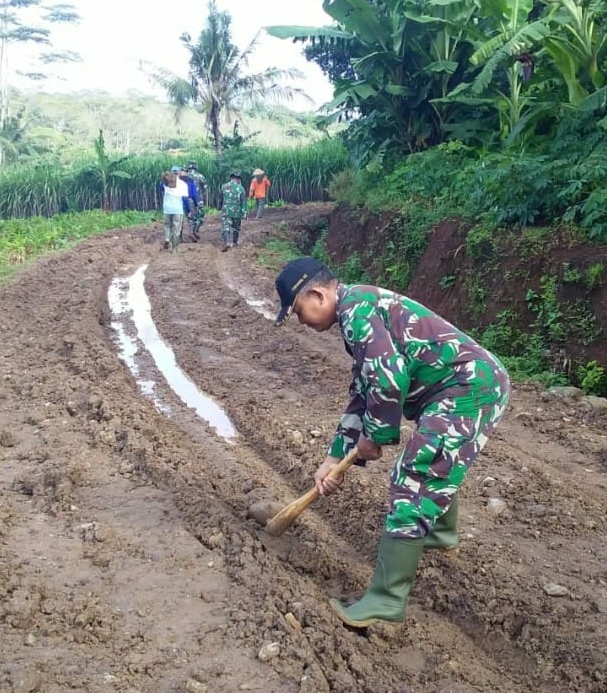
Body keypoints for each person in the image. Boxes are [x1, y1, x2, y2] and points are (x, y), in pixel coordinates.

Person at [272, 257, 511, 629]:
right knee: (433, 461)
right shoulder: (357, 308)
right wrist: (334, 456)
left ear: (317, 294)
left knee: (415, 474)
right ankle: (441, 532)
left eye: (298, 311)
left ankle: (386, 601)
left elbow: (387, 382)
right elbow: (363, 388)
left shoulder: (358, 315)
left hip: (470, 389)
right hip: (465, 385)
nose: (301, 321)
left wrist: (375, 437)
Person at [156, 167, 189, 253]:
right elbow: (185, 199)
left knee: (167, 225)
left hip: (167, 208)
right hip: (177, 209)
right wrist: (188, 210)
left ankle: (167, 239)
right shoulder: (183, 184)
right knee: (176, 229)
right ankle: (174, 249)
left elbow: (160, 187)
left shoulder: (166, 183)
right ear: (179, 173)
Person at [219, 170, 247, 252]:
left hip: (226, 210)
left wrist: (219, 207)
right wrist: (244, 212)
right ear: (238, 179)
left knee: (225, 226)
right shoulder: (241, 188)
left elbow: (220, 198)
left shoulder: (224, 186)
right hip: (236, 211)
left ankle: (226, 242)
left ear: (231, 177)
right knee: (236, 227)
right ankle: (235, 242)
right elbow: (243, 201)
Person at [184, 161, 209, 242]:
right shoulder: (200, 176)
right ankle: (194, 231)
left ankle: (191, 231)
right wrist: (206, 200)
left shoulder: (184, 177)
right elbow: (205, 190)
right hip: (198, 200)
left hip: (186, 200)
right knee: (200, 217)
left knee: (191, 218)